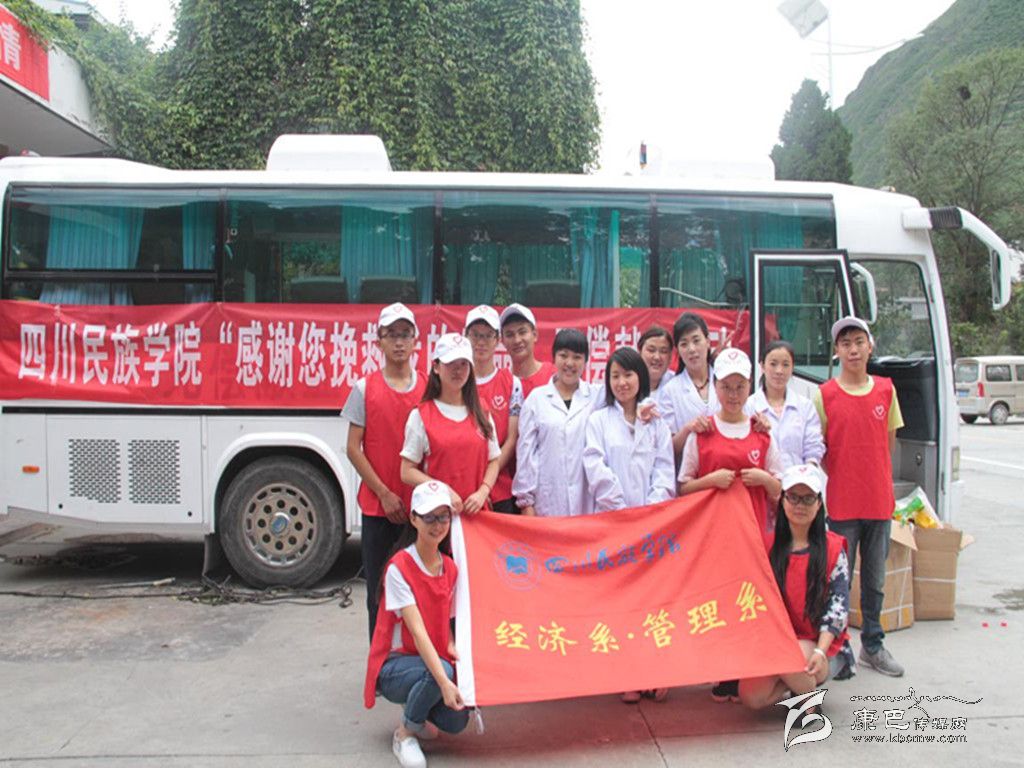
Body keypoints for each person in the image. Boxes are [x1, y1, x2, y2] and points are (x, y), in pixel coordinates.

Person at [677, 347, 784, 704]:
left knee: (748, 603)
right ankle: (722, 673)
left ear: (750, 387)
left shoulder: (762, 432)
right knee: (718, 604)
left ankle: (745, 671)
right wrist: (711, 481)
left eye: (740, 387)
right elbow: (683, 486)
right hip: (713, 540)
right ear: (716, 387)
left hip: (754, 537)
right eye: (726, 387)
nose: (733, 395)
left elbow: (781, 489)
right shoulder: (703, 432)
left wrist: (764, 480)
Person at [813, 316, 905, 678]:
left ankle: (873, 645)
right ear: (836, 351)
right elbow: (821, 449)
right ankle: (839, 648)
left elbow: (888, 443)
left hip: (879, 502)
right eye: (845, 343)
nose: (853, 349)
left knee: (874, 580)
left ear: (870, 346)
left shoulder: (886, 390)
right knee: (839, 582)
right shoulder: (825, 395)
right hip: (843, 504)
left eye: (858, 342)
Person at [583, 345, 675, 704]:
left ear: (641, 378)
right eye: (615, 376)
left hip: (651, 525)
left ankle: (656, 671)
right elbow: (595, 467)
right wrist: (622, 510)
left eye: (628, 374)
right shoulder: (599, 421)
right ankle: (627, 675)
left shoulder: (656, 422)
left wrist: (650, 511)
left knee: (653, 599)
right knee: (620, 600)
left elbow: (664, 469)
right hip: (614, 523)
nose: (622, 382)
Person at [364, 480, 468, 768]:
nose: (438, 525)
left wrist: (453, 648)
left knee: (457, 720)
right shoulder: (399, 568)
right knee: (441, 673)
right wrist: (445, 682)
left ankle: (417, 708)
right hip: (396, 665)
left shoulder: (450, 567)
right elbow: (418, 632)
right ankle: (405, 733)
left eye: (443, 517)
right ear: (413, 519)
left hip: (430, 661)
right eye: (429, 518)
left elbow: (445, 622)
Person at [737, 464, 854, 711]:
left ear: (819, 503)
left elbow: (838, 608)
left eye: (808, 498)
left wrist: (821, 651)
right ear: (782, 501)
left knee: (792, 656)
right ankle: (799, 686)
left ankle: (808, 702)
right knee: (752, 696)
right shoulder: (767, 547)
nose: (800, 505)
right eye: (793, 497)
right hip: (780, 642)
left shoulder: (833, 549)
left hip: (817, 644)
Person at [344, 302, 427, 639]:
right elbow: (353, 448)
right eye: (391, 335)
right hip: (379, 509)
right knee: (379, 593)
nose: (399, 342)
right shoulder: (365, 388)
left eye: (405, 334)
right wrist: (384, 493)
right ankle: (379, 661)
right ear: (378, 341)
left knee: (419, 590)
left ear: (415, 341)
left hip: (420, 511)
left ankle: (416, 657)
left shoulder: (428, 387)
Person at [400, 333, 500, 516]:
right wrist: (442, 491)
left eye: (463, 364)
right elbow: (407, 472)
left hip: (476, 515)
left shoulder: (482, 411)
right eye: (450, 363)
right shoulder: (421, 415)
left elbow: (494, 460)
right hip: (437, 518)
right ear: (436, 367)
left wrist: (483, 492)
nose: (458, 370)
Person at [514, 328, 600, 517]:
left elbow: (628, 403)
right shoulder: (536, 400)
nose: (570, 363)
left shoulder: (597, 396)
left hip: (588, 503)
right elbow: (526, 453)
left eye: (577, 357)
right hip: (547, 503)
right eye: (563, 355)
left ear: (586, 361)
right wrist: (526, 502)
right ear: (554, 358)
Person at [465, 305, 523, 514]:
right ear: (466, 337)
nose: (481, 342)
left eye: (488, 336)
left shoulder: (512, 382)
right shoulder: (455, 380)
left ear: (498, 339)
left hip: (500, 488)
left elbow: (511, 438)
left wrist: (486, 482)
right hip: (463, 485)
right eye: (475, 335)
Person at [745, 339, 825, 471]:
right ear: (762, 366)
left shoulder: (805, 407)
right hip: (762, 481)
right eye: (773, 364)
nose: (779, 371)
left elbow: (813, 447)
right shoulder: (749, 406)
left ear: (793, 367)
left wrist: (807, 473)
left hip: (798, 482)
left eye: (785, 365)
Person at [657, 312, 719, 459]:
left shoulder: (724, 381)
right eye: (684, 344)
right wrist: (688, 429)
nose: (691, 349)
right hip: (689, 470)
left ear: (708, 342)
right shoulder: (670, 391)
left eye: (696, 341)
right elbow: (667, 449)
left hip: (726, 466)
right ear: (678, 351)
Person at [499, 303, 556, 399]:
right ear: (502, 341)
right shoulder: (499, 381)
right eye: (510, 335)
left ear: (535, 335)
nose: (517, 340)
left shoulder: (554, 377)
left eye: (522, 332)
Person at [638, 325, 675, 394]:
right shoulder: (628, 383)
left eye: (663, 351)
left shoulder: (678, 384)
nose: (657, 357)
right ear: (640, 352)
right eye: (651, 350)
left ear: (670, 357)